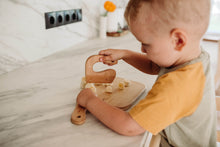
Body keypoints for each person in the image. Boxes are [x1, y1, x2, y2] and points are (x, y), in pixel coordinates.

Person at [76, 0, 217, 146]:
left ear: (178, 41)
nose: (142, 50)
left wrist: (89, 100)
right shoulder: (193, 58)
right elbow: (153, 66)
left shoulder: (177, 86)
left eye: (146, 44)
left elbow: (129, 126)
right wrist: (126, 54)